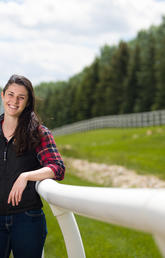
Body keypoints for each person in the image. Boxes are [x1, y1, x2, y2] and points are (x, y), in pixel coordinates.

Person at [0, 74, 65, 258]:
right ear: (3, 95)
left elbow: (57, 167)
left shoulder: (38, 133)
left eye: (21, 97)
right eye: (11, 94)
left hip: (27, 219)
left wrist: (26, 176)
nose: (14, 101)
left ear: (28, 102)